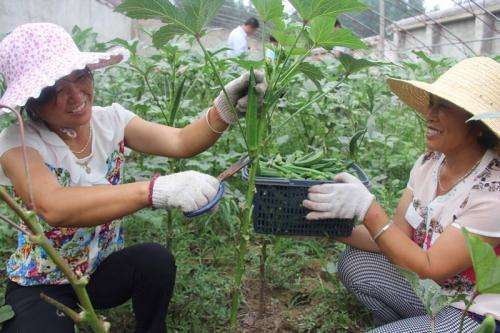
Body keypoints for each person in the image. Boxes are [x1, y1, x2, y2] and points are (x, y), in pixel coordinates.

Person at [0, 23, 266, 333]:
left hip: (99, 271)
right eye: (53, 89)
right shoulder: (17, 142)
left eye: (80, 76)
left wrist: (223, 109)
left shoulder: (111, 120)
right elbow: (54, 206)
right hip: (43, 281)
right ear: (30, 100)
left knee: (154, 261)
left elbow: (180, 141)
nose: (74, 96)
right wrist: (152, 191)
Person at [303, 57, 500, 332]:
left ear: (477, 124)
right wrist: (318, 223)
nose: (430, 114)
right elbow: (396, 235)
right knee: (356, 263)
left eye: (444, 107)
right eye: (432, 103)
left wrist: (368, 209)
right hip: (437, 295)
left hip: (476, 313)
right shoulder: (429, 164)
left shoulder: (493, 191)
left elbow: (430, 266)